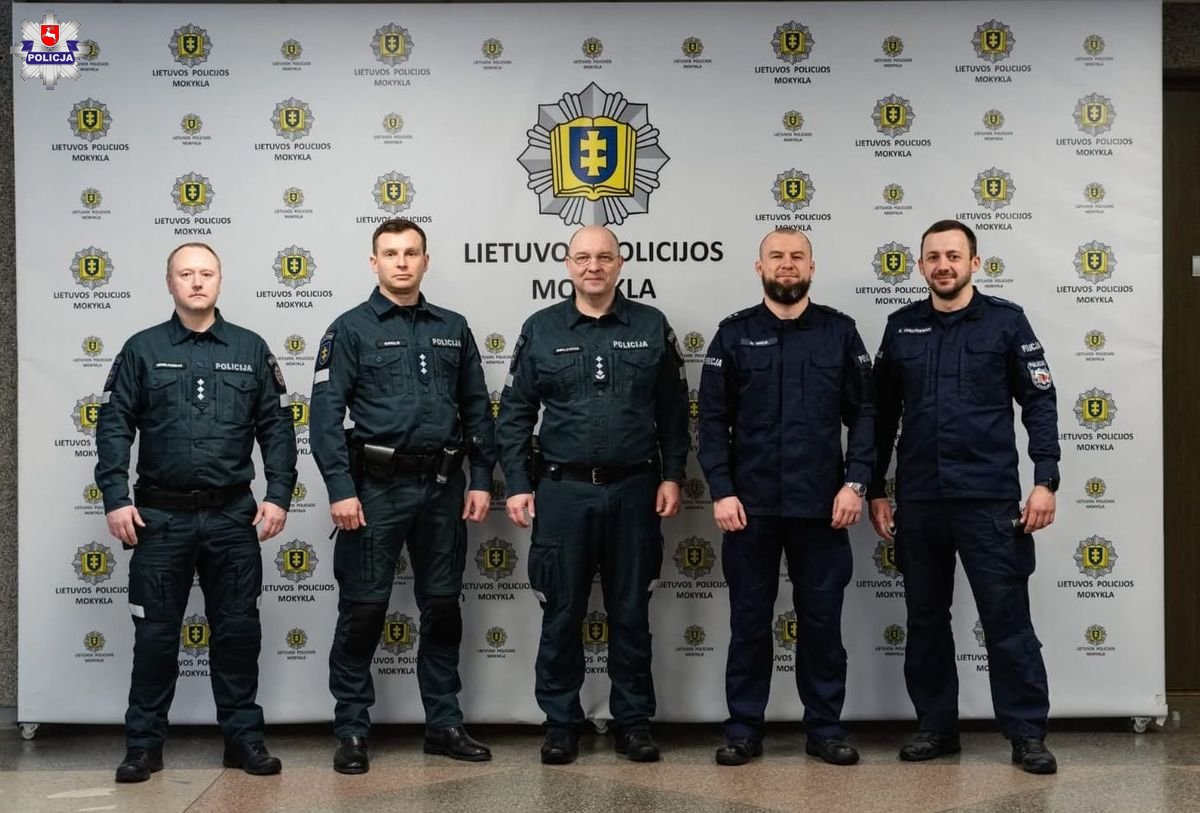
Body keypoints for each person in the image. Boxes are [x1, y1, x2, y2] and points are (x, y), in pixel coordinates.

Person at [95, 242, 297, 782]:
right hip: (160, 519)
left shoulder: (251, 349)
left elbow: (277, 429)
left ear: (220, 280)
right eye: (186, 273)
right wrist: (116, 497)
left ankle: (244, 741)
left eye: (206, 272)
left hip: (232, 518)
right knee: (155, 638)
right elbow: (113, 426)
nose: (197, 281)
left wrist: (279, 493)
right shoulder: (142, 349)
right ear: (170, 283)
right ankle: (143, 746)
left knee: (238, 633)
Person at [868, 219, 1060, 775]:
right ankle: (936, 727)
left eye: (953, 255)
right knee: (925, 619)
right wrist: (875, 488)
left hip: (988, 500)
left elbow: (1040, 402)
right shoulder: (901, 327)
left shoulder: (1006, 322)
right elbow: (881, 415)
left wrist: (1045, 479)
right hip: (921, 500)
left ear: (975, 262)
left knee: (1007, 620)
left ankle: (1027, 734)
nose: (943, 265)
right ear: (920, 265)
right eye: (933, 257)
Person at [496, 225, 689, 764]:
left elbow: (674, 411)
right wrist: (518, 483)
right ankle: (561, 723)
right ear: (567, 264)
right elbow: (514, 415)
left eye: (604, 257)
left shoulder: (650, 325)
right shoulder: (541, 328)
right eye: (582, 257)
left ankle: (634, 721)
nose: (593, 266)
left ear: (620, 263)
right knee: (562, 611)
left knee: (631, 611)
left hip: (634, 489)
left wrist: (673, 475)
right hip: (563, 492)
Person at [310, 218, 495, 774]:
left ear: (425, 261)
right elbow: (324, 417)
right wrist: (341, 489)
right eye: (390, 253)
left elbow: (477, 408)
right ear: (374, 262)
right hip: (375, 490)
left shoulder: (453, 328)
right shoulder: (349, 329)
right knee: (364, 609)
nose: (401, 262)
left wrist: (481, 478)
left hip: (441, 488)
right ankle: (352, 729)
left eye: (411, 252)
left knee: (442, 608)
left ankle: (443, 724)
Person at [697, 227, 873, 767]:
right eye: (777, 256)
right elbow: (712, 422)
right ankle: (743, 730)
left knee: (821, 624)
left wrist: (856, 483)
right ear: (760, 267)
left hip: (822, 508)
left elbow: (866, 414)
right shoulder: (733, 335)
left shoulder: (840, 333)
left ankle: (826, 729)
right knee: (749, 624)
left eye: (798, 256)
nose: (787, 264)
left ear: (812, 267)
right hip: (748, 510)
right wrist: (722, 491)